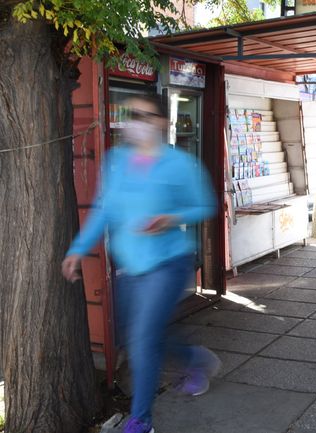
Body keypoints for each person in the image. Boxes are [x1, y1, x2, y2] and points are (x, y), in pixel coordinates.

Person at [61, 95, 219, 433]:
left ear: (162, 123)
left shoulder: (179, 163)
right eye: (130, 114)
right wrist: (78, 249)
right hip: (130, 266)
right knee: (141, 336)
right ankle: (196, 360)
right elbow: (103, 210)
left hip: (168, 263)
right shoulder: (115, 160)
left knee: (143, 339)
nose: (135, 121)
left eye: (144, 116)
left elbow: (205, 205)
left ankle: (141, 421)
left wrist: (170, 218)